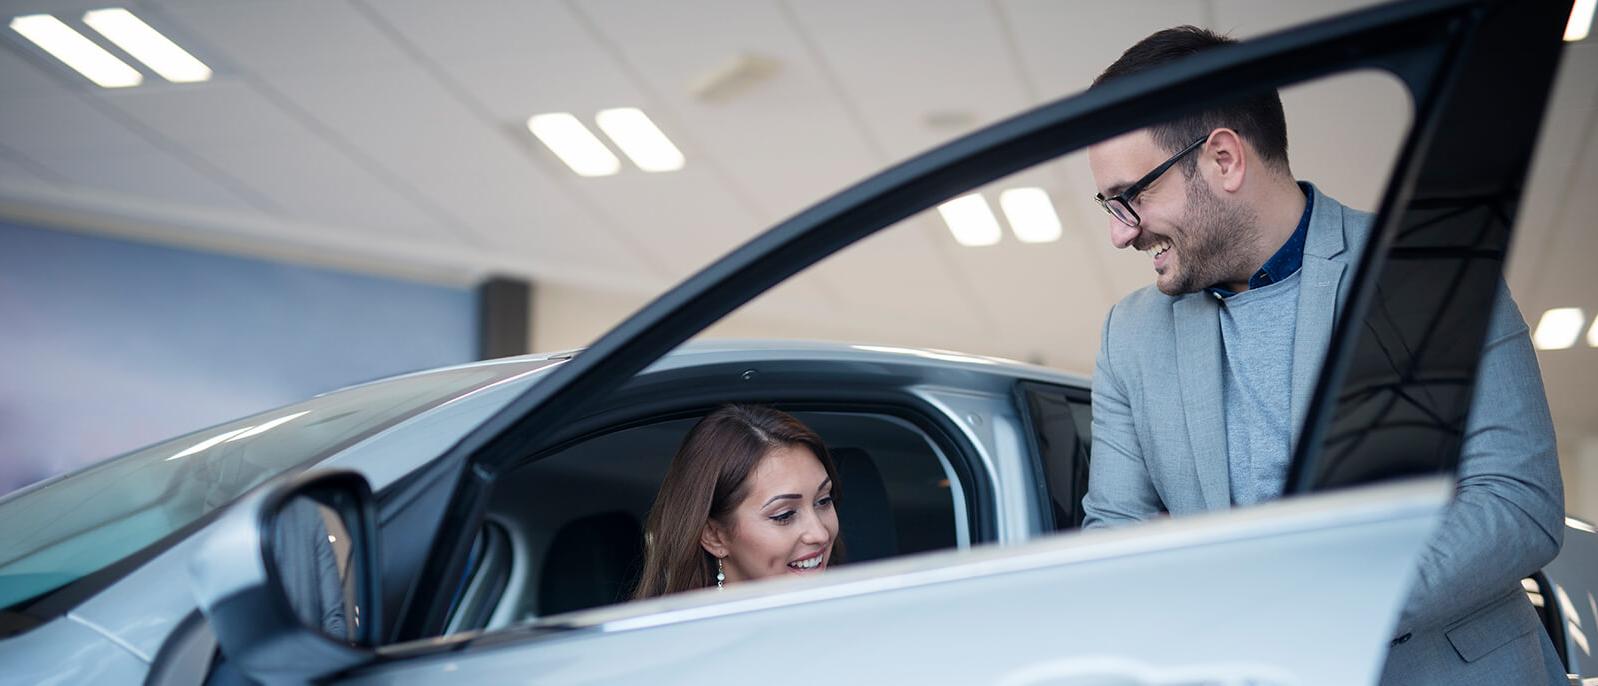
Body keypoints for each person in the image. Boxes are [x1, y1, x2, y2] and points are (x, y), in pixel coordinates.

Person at [1080, 26, 1565, 684]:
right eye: (1110, 204)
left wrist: (1321, 607)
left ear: (1223, 159)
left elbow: (1515, 502)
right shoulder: (1128, 336)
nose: (1119, 232)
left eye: (1131, 196)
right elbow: (1115, 533)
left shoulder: (1430, 271)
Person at [632, 404, 840, 599]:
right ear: (714, 537)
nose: (820, 534)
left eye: (823, 501)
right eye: (784, 515)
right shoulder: (687, 636)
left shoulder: (860, 613)